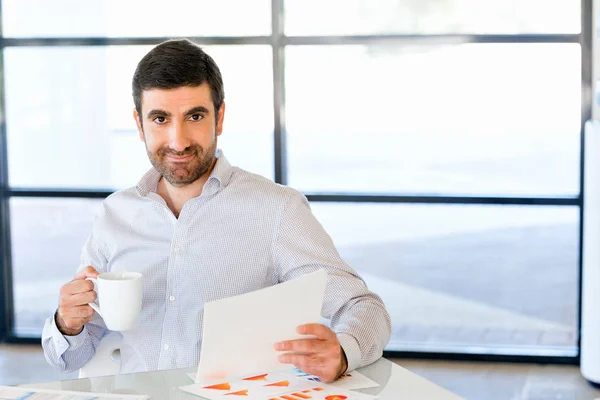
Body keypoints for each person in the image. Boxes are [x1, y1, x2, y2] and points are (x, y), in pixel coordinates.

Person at [42, 39, 391, 383]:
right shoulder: (114, 216)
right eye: (160, 118)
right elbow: (70, 358)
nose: (178, 141)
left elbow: (364, 307)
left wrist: (344, 352)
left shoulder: (276, 210)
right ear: (139, 124)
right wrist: (67, 323)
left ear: (219, 117)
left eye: (195, 116)